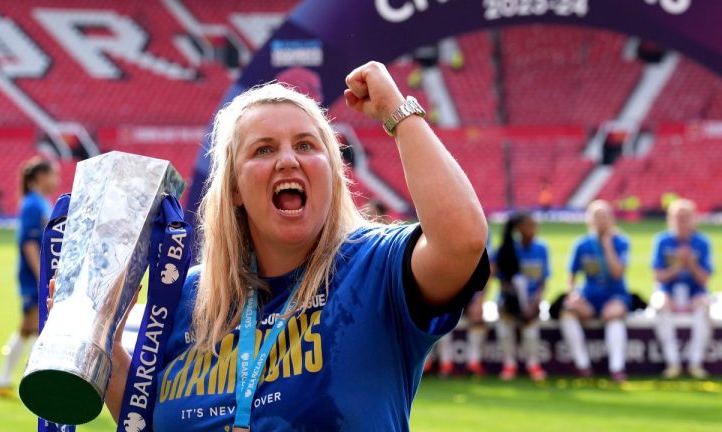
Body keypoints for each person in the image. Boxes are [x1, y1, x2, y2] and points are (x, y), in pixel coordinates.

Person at [51, 62, 489, 430]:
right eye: (263, 150)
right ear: (236, 189)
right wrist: (103, 344)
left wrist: (398, 111)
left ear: (333, 174)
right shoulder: (188, 297)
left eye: (305, 145)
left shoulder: (375, 268)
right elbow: (145, 422)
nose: (287, 159)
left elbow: (461, 243)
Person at [0, 158, 59, 397]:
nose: (57, 180)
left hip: (37, 276)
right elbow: (30, 244)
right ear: (40, 177)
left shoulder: (41, 202)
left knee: (30, 329)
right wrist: (43, 277)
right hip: (34, 278)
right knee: (34, 328)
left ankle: (6, 381)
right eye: (53, 174)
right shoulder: (33, 205)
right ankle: (24, 383)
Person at [560, 200, 630, 382]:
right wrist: (574, 294)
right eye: (597, 217)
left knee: (615, 316)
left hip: (615, 295)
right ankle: (582, 365)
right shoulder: (581, 245)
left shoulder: (621, 242)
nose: (601, 221)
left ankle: (617, 368)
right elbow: (572, 275)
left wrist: (607, 245)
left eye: (605, 216)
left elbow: (617, 273)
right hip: (589, 295)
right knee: (567, 311)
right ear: (589, 220)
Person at [651, 199, 712, 379]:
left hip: (695, 292)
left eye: (686, 217)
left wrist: (691, 264)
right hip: (668, 290)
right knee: (661, 305)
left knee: (704, 307)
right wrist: (678, 266)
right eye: (678, 217)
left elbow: (705, 279)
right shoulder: (662, 241)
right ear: (670, 219)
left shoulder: (702, 242)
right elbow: (658, 276)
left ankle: (695, 363)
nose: (682, 222)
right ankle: (673, 363)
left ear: (694, 219)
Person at [493, 212, 549, 381]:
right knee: (504, 327)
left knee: (531, 329)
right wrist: (512, 300)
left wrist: (534, 303)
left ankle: (533, 364)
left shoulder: (541, 248)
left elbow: (543, 280)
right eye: (530, 225)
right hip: (509, 300)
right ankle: (509, 364)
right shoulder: (507, 249)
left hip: (532, 300)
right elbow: (499, 278)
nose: (534, 228)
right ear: (518, 229)